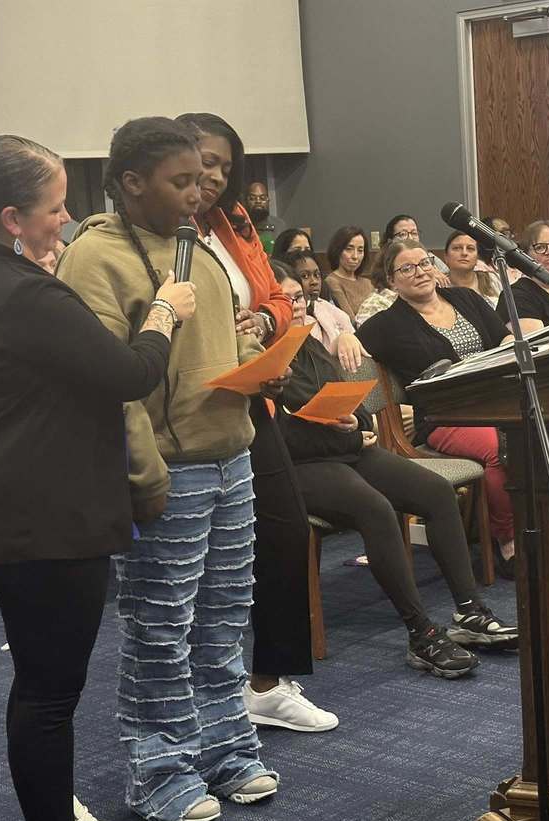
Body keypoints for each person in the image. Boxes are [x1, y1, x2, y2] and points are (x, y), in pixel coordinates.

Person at [0, 134, 195, 821]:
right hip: (40, 512)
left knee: (46, 684)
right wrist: (165, 310)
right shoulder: (25, 291)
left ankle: (55, 814)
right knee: (48, 690)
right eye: (55, 206)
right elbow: (129, 372)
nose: (67, 219)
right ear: (12, 217)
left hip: (28, 501)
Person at [55, 116, 281, 821]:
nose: (198, 192)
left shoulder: (197, 245)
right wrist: (144, 476)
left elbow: (197, 348)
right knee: (160, 629)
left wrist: (243, 345)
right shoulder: (94, 257)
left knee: (221, 622)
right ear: (130, 182)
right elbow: (104, 382)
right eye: (181, 181)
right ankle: (160, 771)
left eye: (203, 178)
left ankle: (225, 748)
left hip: (229, 456)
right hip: (167, 472)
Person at [273, 262, 517, 674]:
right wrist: (354, 433)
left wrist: (362, 426)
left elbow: (347, 404)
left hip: (347, 449)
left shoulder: (307, 342)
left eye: (299, 297)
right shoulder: (265, 356)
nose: (296, 306)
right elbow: (287, 436)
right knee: (377, 509)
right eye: (286, 299)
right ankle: (421, 633)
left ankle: (468, 612)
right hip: (301, 466)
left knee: (436, 493)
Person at [176, 113, 335, 733]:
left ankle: (268, 681)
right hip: (190, 407)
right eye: (201, 162)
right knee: (203, 557)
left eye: (222, 164)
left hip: (254, 395)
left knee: (286, 532)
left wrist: (266, 323)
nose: (212, 175)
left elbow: (276, 293)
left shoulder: (230, 222)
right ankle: (192, 692)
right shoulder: (160, 232)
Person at [356, 240, 517, 576]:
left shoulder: (466, 298)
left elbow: (503, 340)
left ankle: (538, 529)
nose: (420, 272)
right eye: (407, 268)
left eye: (425, 262)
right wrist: (344, 337)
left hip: (497, 402)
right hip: (442, 416)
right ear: (391, 279)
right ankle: (509, 544)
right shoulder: (387, 324)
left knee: (539, 431)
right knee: (497, 447)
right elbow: (351, 348)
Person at [174, 113, 292, 344]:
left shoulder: (235, 217)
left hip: (253, 363)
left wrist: (263, 321)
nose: (218, 177)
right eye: (208, 163)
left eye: (226, 171)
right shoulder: (165, 226)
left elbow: (280, 298)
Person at [322, 224, 374, 319]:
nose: (355, 256)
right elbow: (350, 319)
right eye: (349, 249)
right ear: (337, 250)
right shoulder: (332, 281)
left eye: (360, 250)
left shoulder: (368, 283)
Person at [444, 230, 501, 307]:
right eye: (457, 248)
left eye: (470, 248)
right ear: (446, 256)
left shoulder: (493, 279)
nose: (464, 253)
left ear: (477, 257)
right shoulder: (439, 285)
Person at [382, 213, 449, 274]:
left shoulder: (429, 257)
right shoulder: (385, 264)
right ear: (390, 241)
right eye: (403, 234)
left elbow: (447, 275)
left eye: (414, 233)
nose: (410, 238)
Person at [475, 216, 523, 284]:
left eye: (510, 232)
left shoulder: (516, 264)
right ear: (487, 238)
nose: (512, 236)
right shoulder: (479, 268)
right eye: (505, 233)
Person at [245, 180, 283, 252]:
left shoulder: (279, 225)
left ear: (268, 201)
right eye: (252, 198)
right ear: (246, 202)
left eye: (262, 198)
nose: (258, 201)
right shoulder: (240, 226)